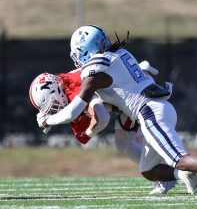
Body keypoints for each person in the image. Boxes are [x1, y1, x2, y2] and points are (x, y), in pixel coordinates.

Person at [37, 25, 197, 194]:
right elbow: (117, 96)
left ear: (86, 50)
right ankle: (183, 176)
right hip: (154, 107)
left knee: (179, 159)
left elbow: (73, 112)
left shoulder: (94, 71)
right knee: (149, 170)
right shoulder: (118, 53)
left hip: (149, 113)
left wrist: (48, 120)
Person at [29, 68, 179, 194]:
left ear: (56, 92)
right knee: (123, 142)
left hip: (134, 99)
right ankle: (172, 172)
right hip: (130, 94)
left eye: (53, 104)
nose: (54, 109)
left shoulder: (73, 91)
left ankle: (170, 174)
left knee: (147, 146)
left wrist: (89, 133)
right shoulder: (66, 81)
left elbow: (102, 117)